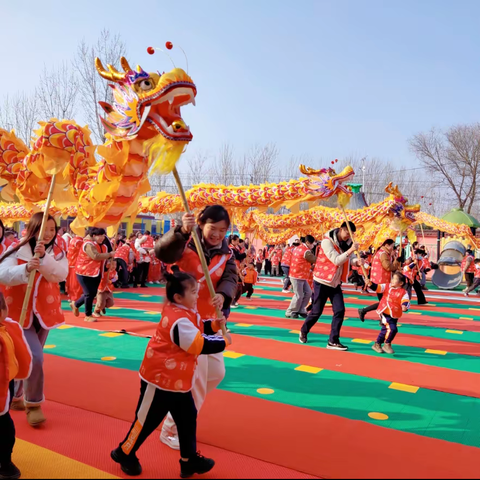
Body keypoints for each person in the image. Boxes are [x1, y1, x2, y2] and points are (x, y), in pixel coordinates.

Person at [111, 272, 231, 478]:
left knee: (187, 418)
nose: (197, 295)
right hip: (159, 379)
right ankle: (124, 452)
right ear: (178, 297)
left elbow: (198, 327)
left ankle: (189, 460)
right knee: (146, 421)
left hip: (177, 381)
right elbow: (196, 345)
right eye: (193, 292)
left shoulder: (186, 311)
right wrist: (224, 341)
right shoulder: (178, 319)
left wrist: (213, 325)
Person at [155, 205, 237, 450]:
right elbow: (163, 253)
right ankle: (173, 429)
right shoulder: (186, 242)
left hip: (210, 320)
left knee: (216, 373)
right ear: (201, 223)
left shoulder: (227, 254)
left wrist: (223, 294)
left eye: (223, 230)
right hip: (184, 318)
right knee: (198, 378)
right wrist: (181, 230)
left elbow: (230, 278)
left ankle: (172, 419)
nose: (218, 235)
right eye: (214, 228)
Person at [0, 213, 68, 426]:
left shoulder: (57, 252)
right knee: (36, 357)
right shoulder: (16, 249)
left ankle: (18, 396)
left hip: (44, 314)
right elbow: (3, 274)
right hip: (19, 314)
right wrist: (26, 267)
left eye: (51, 229)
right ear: (32, 229)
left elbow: (60, 274)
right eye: (43, 229)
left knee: (26, 357)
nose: (47, 234)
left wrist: (44, 259)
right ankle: (34, 404)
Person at [299, 222, 362, 350]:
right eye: (346, 232)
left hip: (335, 282)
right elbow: (336, 260)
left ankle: (333, 340)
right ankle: (304, 330)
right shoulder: (327, 242)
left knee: (340, 311)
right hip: (322, 281)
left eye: (350, 234)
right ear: (340, 229)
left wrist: (357, 262)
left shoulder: (348, 242)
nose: (348, 236)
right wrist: (351, 251)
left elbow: (351, 258)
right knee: (317, 311)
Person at [0, 292, 32, 480]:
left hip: (4, 384)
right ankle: (5, 463)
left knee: (3, 422)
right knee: (3, 422)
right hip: (4, 384)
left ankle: (5, 463)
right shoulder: (9, 328)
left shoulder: (8, 330)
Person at [72, 228, 114, 322]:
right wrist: (109, 254)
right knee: (88, 293)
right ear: (94, 236)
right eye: (100, 236)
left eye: (103, 236)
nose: (103, 238)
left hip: (95, 272)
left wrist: (110, 260)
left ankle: (76, 304)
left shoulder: (101, 244)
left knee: (92, 293)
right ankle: (88, 315)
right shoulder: (88, 244)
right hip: (84, 272)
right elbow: (95, 256)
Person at [358, 239, 400, 322]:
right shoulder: (383, 254)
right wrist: (397, 262)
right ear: (387, 245)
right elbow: (388, 267)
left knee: (384, 302)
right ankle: (364, 311)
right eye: (392, 246)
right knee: (384, 302)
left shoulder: (384, 253)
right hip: (380, 281)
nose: (392, 248)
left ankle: (381, 318)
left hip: (380, 280)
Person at [369, 272, 410, 354]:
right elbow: (378, 287)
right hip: (384, 311)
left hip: (394, 313)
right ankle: (387, 344)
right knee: (393, 329)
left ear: (401, 283)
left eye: (395, 279)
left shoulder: (403, 292)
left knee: (385, 329)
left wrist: (404, 306)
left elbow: (405, 300)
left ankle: (377, 344)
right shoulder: (387, 286)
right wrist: (370, 284)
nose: (392, 280)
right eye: (392, 278)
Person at [286, 235, 316, 319]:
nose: (313, 245)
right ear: (307, 243)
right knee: (299, 295)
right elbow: (314, 260)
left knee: (308, 292)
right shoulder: (305, 251)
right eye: (312, 243)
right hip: (297, 275)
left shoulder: (300, 248)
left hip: (301, 275)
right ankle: (290, 311)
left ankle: (301, 309)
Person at [66, 233, 84, 304]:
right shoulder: (79, 241)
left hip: (70, 263)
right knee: (76, 283)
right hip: (76, 264)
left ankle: (71, 297)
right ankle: (75, 298)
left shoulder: (73, 240)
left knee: (70, 282)